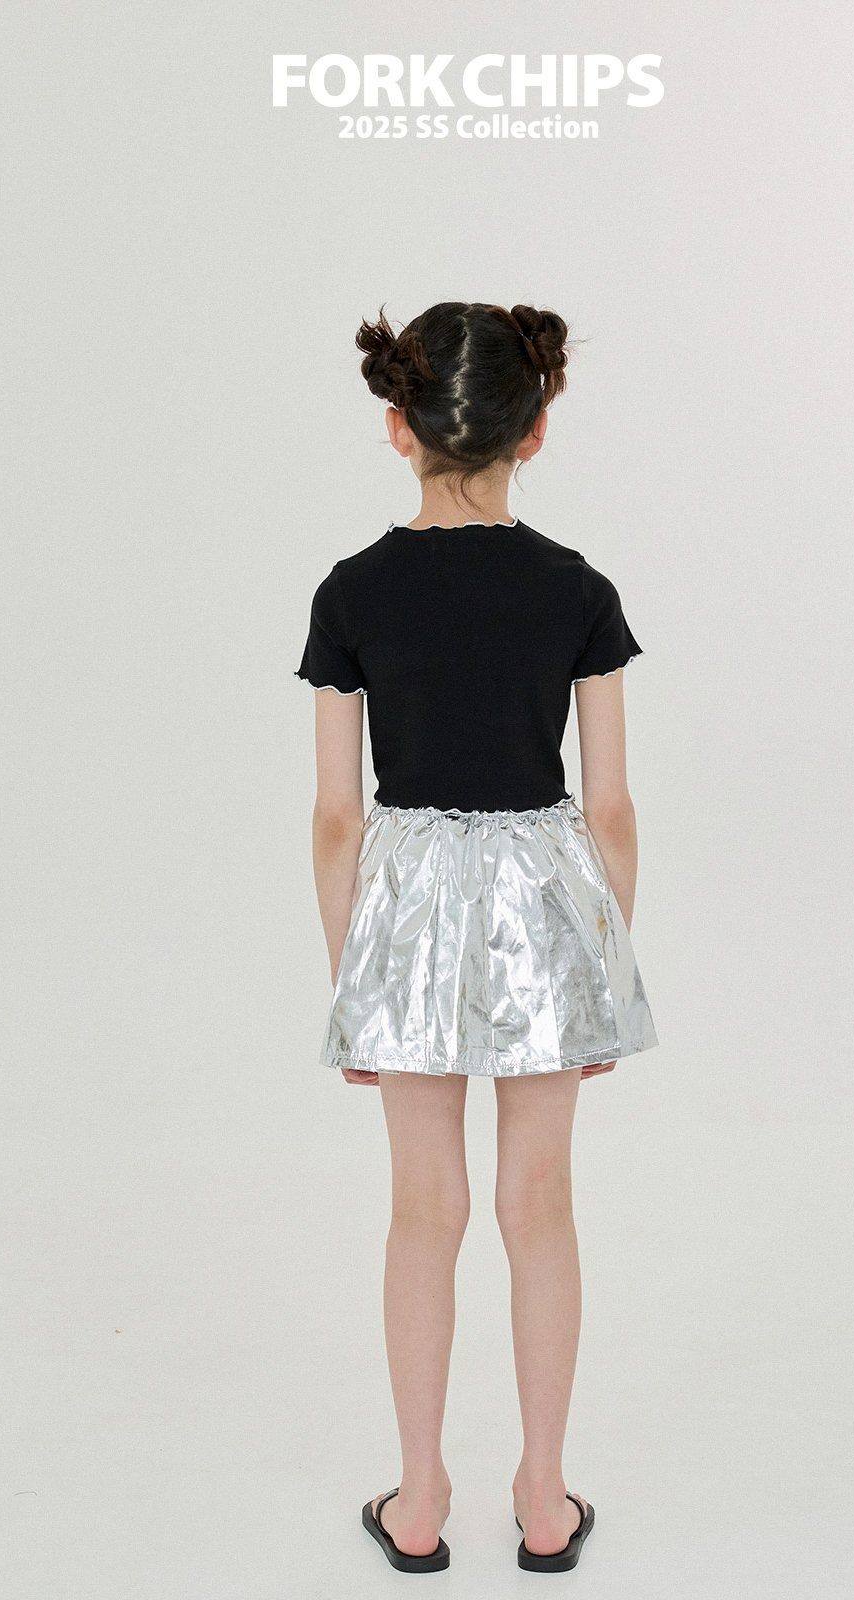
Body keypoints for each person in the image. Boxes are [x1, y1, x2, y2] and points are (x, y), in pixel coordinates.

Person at [294, 301, 659, 1574]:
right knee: (537, 1201)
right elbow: (609, 807)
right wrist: (599, 969)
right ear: (535, 430)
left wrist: (353, 979)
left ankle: (419, 1497)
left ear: (397, 428)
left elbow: (336, 817)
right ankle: (544, 1497)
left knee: (423, 1207)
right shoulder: (576, 590)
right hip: (543, 899)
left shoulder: (350, 592)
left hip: (405, 907)